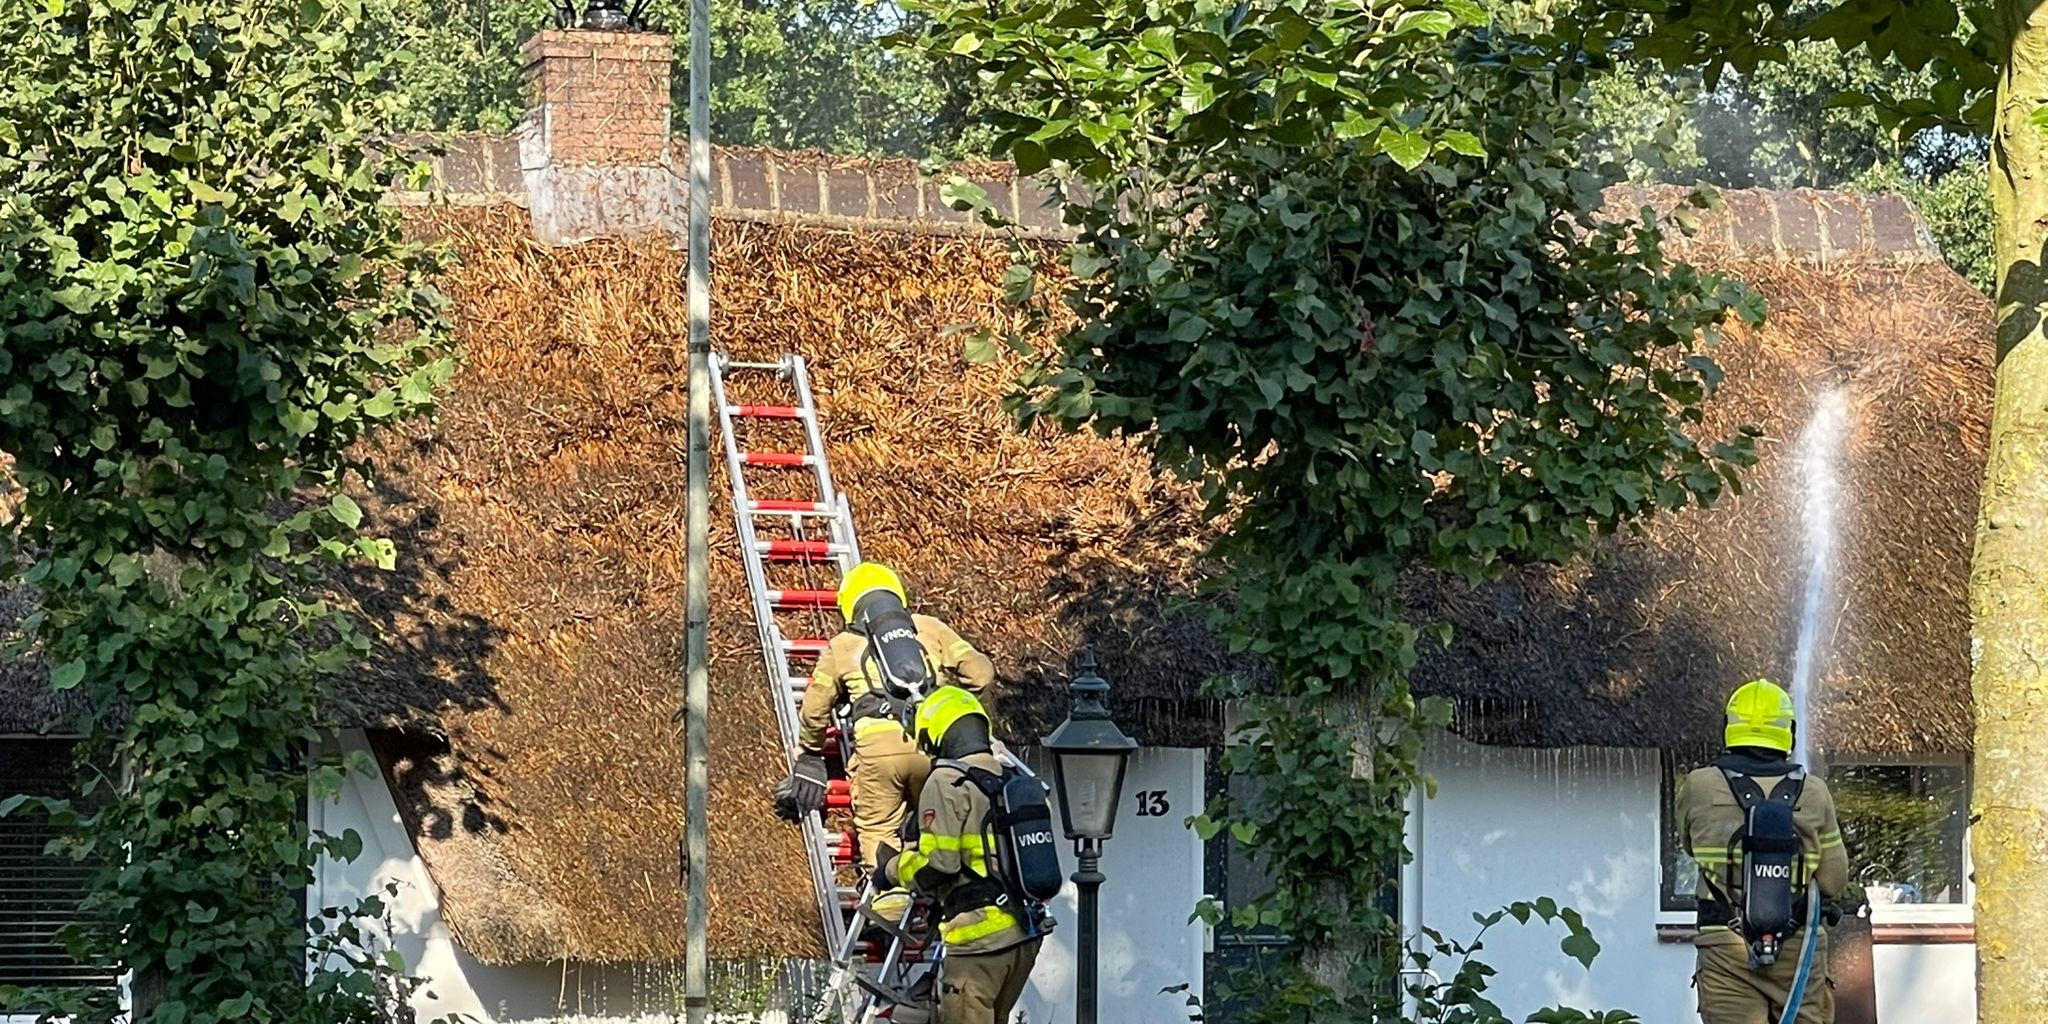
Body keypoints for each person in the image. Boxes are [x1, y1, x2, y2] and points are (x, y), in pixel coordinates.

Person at [776, 562, 994, 914]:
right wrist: (948, 701)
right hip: (931, 748)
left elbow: (815, 707)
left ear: (850, 605)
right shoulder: (929, 628)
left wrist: (811, 751)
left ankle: (890, 910)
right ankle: (937, 902)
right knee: (934, 827)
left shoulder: (844, 645)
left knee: (879, 831)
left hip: (878, 752)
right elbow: (981, 674)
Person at [1679, 678, 1850, 1024]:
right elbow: (1833, 882)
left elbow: (1690, 846)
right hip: (1799, 951)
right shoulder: (1814, 793)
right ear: (1788, 730)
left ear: (1729, 729)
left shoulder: (1698, 786)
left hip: (1725, 948)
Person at [876, 687, 1047, 1024]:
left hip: (979, 943)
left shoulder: (946, 781)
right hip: (1023, 934)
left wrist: (891, 870)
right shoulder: (1007, 777)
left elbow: (940, 863)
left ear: (937, 733)